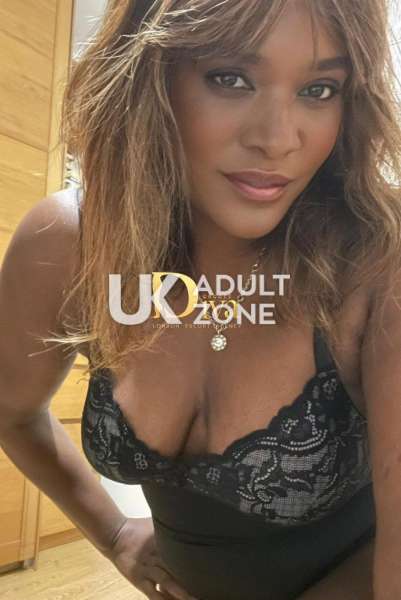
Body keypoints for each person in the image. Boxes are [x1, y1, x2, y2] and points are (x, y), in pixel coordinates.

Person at [1, 0, 401, 598]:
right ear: (147, 76)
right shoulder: (69, 244)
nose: (277, 139)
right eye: (230, 78)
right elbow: (11, 409)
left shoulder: (376, 262)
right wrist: (114, 534)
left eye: (319, 89)